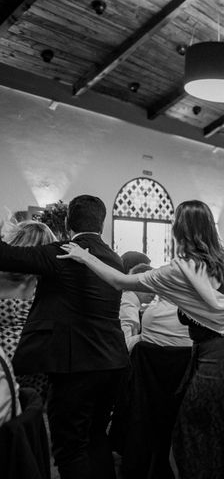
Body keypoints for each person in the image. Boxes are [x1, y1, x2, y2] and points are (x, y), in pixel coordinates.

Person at [58, 199, 224, 479]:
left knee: (192, 438)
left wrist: (85, 256)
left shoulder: (181, 270)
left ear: (179, 230)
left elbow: (119, 281)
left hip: (214, 365)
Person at [0, 195, 129, 479]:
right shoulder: (114, 259)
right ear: (102, 224)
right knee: (97, 438)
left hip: (76, 366)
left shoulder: (63, 252)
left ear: (69, 222)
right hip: (113, 362)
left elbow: (6, 256)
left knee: (70, 447)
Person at [0, 221, 57, 399]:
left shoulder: (2, 275)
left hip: (3, 355)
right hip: (36, 357)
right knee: (31, 409)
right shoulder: (50, 282)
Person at [118, 263, 191, 352]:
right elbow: (122, 345)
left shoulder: (146, 310)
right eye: (151, 287)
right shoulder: (127, 305)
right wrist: (143, 337)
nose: (154, 292)